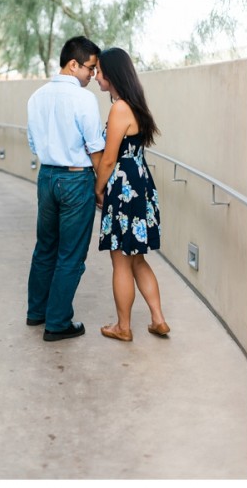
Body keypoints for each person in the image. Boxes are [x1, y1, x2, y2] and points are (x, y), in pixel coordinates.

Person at [27, 35, 105, 342]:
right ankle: (58, 322)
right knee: (71, 254)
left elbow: (33, 143)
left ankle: (37, 311)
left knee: (45, 247)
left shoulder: (36, 98)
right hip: (75, 179)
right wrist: (100, 188)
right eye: (91, 68)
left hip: (46, 177)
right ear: (73, 64)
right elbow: (96, 149)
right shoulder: (83, 99)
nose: (93, 75)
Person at [93, 47, 169, 342]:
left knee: (121, 261)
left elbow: (110, 159)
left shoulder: (119, 108)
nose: (97, 76)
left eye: (99, 71)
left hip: (123, 188)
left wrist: (98, 188)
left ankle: (123, 327)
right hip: (141, 185)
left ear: (111, 74)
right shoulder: (136, 106)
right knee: (137, 258)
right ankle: (158, 319)